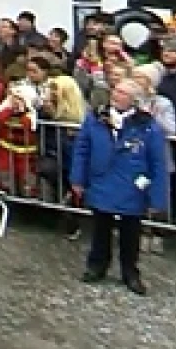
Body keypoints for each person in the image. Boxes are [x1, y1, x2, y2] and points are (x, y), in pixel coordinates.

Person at [70, 78, 168, 296]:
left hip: (132, 184)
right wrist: (77, 178)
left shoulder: (146, 125)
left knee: (130, 232)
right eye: (116, 91)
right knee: (100, 228)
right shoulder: (96, 118)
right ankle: (97, 265)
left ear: (133, 99)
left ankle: (130, 272)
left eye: (123, 93)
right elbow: (82, 149)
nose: (116, 95)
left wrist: (157, 197)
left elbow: (157, 162)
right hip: (102, 180)